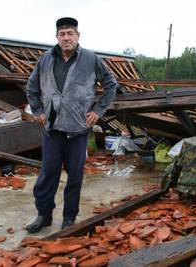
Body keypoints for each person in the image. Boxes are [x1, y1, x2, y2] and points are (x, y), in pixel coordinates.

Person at [25, 17, 117, 233]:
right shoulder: (46, 59)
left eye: (70, 33)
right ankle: (44, 215)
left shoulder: (91, 59)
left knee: (75, 176)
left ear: (78, 36)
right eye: (62, 34)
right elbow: (32, 87)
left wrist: (98, 110)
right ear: (56, 37)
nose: (66, 38)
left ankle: (69, 218)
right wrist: (37, 110)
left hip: (78, 129)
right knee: (48, 174)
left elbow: (111, 84)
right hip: (52, 130)